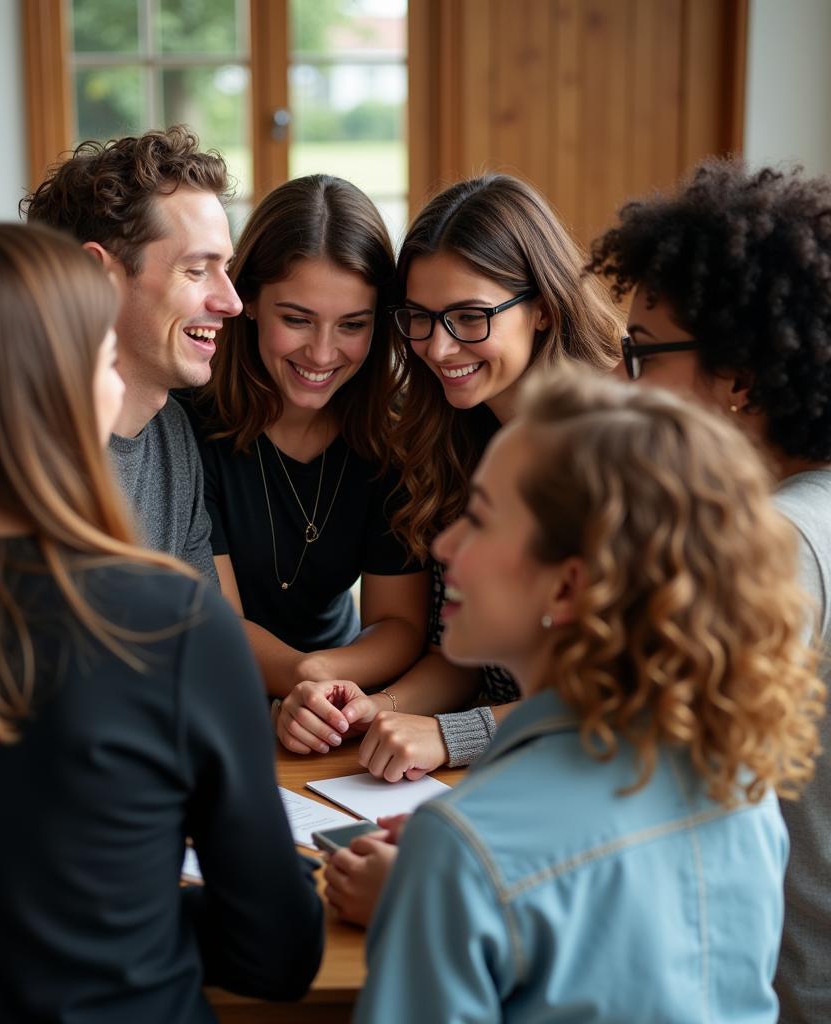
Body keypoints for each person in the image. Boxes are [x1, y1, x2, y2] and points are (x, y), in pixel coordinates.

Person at [0, 222, 323, 1021]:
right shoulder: (174, 627)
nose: (116, 388)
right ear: (53, 391)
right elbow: (278, 955)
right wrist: (129, 915)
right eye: (102, 361)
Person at [353, 367, 824, 1023]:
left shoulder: (462, 847)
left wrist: (444, 885)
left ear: (570, 588)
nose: (445, 543)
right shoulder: (739, 781)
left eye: (481, 519)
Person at [588, 159, 831, 1024]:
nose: (626, 382)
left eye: (643, 353)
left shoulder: (773, 545)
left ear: (738, 380)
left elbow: (654, 793)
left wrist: (443, 879)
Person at [275, 173, 622, 768]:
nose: (437, 348)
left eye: (468, 317)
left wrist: (455, 736)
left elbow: (629, 690)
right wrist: (379, 706)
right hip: (495, 769)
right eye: (420, 318)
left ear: (542, 308)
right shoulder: (439, 433)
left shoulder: (624, 439)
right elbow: (461, 656)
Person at [190, 175, 427, 708]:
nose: (322, 354)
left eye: (351, 325)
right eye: (296, 319)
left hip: (339, 693)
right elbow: (220, 627)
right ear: (246, 299)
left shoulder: (393, 431)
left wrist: (319, 675)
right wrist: (304, 679)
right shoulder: (189, 424)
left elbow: (399, 623)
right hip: (224, 690)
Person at [22, 126, 242, 583]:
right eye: (198, 270)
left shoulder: (172, 435)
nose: (232, 302)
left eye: (227, 269)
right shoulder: (18, 455)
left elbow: (198, 632)